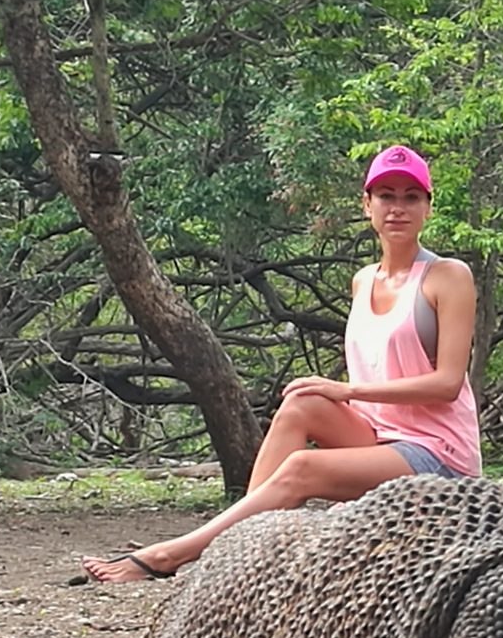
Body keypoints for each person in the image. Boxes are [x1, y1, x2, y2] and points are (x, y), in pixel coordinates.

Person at [81, 145, 482, 583]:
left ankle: (171, 556)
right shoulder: (363, 280)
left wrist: (346, 391)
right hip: (380, 437)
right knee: (300, 403)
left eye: (411, 197)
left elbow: (446, 383)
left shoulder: (448, 275)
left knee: (303, 468)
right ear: (367, 206)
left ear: (427, 207)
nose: (398, 208)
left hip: (438, 455)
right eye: (386, 195)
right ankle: (243, 546)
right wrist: (336, 395)